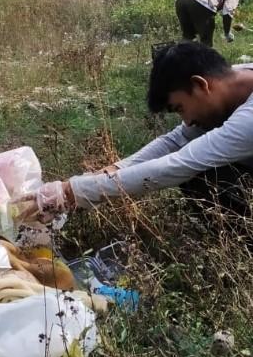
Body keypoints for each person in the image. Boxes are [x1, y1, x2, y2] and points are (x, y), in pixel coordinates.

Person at [23, 42, 253, 226]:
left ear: (200, 85)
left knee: (200, 171)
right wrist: (115, 169)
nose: (187, 121)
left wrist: (70, 192)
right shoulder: (228, 79)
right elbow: (176, 140)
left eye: (180, 108)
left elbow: (181, 163)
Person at [175, 0, 246, 47]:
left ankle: (180, 56)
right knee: (206, 42)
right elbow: (228, 11)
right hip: (201, 1)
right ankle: (204, 57)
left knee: (188, 36)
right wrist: (227, 33)